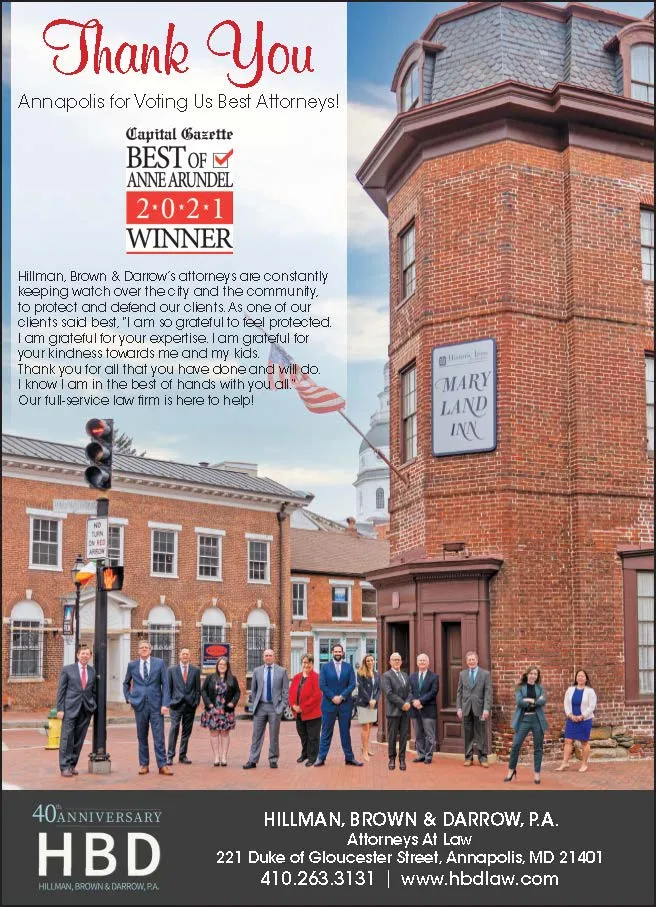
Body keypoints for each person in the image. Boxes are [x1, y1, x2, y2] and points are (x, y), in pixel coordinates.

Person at [123, 639, 173, 775]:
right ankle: (144, 764)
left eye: (146, 647)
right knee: (142, 736)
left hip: (156, 705)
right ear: (138, 650)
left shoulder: (159, 663)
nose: (144, 649)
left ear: (150, 650)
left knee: (159, 736)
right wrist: (128, 698)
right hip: (139, 705)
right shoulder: (132, 665)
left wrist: (165, 704)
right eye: (142, 647)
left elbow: (165, 684)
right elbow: (126, 683)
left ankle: (162, 765)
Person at [314, 644, 363, 767]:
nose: (337, 653)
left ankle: (349, 758)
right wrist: (333, 697)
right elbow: (322, 685)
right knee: (326, 732)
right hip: (328, 704)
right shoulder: (325, 667)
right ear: (332, 653)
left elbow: (352, 684)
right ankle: (321, 757)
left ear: (342, 653)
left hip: (345, 705)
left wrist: (341, 697)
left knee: (345, 732)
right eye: (335, 651)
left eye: (339, 651)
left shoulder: (348, 667)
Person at [243, 649, 289, 769]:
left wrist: (281, 706)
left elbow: (285, 691)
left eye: (270, 655)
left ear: (274, 657)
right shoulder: (257, 671)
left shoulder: (282, 671)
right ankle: (253, 760)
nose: (268, 657)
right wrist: (255, 703)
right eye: (266, 655)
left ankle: (273, 759)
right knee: (256, 735)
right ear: (263, 657)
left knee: (274, 736)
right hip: (260, 707)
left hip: (275, 707)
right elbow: (253, 690)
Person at [56, 644, 96, 777]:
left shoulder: (92, 671)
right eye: (82, 653)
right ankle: (64, 766)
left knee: (79, 739)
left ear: (90, 656)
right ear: (78, 655)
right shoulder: (68, 669)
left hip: (86, 709)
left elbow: (93, 690)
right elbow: (61, 691)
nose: (85, 656)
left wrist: (93, 705)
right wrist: (60, 709)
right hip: (69, 708)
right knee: (67, 738)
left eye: (87, 654)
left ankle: (72, 765)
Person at [504, 665, 548, 784]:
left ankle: (537, 774)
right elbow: (519, 702)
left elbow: (543, 701)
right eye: (531, 673)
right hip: (524, 719)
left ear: (537, 676)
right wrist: (535, 701)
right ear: (527, 674)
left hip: (537, 719)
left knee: (538, 747)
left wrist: (529, 700)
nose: (533, 675)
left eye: (535, 674)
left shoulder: (540, 688)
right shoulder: (520, 687)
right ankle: (511, 770)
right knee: (515, 745)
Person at [201, 656, 241, 766]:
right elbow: (203, 691)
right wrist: (208, 703)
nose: (222, 666)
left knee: (225, 734)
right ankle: (216, 756)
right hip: (213, 710)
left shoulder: (232, 679)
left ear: (227, 666)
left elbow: (237, 692)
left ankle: (224, 757)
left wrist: (233, 702)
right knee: (214, 734)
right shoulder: (210, 677)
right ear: (217, 666)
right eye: (220, 664)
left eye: (224, 664)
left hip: (226, 711)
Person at [556, 669, 597, 773]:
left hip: (585, 720)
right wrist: (570, 715)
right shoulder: (570, 689)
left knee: (584, 742)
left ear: (586, 679)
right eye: (578, 676)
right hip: (571, 719)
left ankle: (584, 764)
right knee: (568, 740)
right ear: (576, 678)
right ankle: (565, 763)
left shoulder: (590, 691)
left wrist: (582, 716)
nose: (580, 677)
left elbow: (592, 706)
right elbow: (566, 703)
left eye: (582, 676)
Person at [456, 650, 492, 767]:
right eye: (469, 660)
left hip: (480, 708)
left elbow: (488, 693)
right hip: (466, 708)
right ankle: (468, 758)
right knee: (468, 734)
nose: (471, 661)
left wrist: (486, 708)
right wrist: (459, 708)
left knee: (481, 734)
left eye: (473, 659)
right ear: (466, 662)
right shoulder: (462, 674)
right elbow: (459, 692)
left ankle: (483, 758)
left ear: (477, 660)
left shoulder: (485, 674)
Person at [166, 647, 201, 765]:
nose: (185, 656)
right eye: (183, 654)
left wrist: (196, 702)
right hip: (176, 705)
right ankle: (170, 756)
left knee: (186, 731)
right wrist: (169, 702)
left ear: (190, 656)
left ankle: (182, 755)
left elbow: (197, 689)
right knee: (174, 729)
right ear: (179, 655)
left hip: (190, 705)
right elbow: (168, 688)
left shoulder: (195, 670)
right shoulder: (171, 670)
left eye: (187, 654)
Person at [288, 654, 322, 767]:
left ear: (312, 664)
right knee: (303, 735)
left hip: (313, 713)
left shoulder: (317, 677)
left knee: (313, 737)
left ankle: (313, 757)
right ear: (301, 663)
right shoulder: (296, 677)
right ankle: (305, 754)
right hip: (298, 714)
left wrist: (302, 707)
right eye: (304, 662)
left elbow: (317, 696)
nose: (306, 665)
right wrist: (293, 705)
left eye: (309, 662)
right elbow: (291, 693)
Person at [381, 652, 413, 770]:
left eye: (398, 659)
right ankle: (392, 759)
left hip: (405, 712)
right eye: (394, 660)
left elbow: (410, 691)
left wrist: (408, 702)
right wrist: (402, 704)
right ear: (390, 662)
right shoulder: (386, 675)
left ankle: (402, 759)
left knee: (404, 737)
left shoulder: (405, 675)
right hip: (393, 712)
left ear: (401, 661)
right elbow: (389, 694)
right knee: (392, 737)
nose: (397, 661)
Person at [409, 653, 439, 764]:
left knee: (429, 735)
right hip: (415, 710)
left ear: (428, 663)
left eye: (424, 660)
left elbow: (433, 692)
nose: (422, 662)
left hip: (428, 710)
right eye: (420, 660)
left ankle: (428, 756)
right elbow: (409, 691)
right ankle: (421, 755)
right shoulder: (412, 677)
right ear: (417, 663)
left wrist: (420, 701)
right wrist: (414, 701)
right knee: (418, 735)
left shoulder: (434, 677)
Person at [355, 654, 381, 762]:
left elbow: (379, 689)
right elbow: (361, 688)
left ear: (374, 661)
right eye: (368, 661)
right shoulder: (360, 672)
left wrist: (375, 699)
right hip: (363, 703)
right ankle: (364, 751)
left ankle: (365, 747)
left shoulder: (377, 673)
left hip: (373, 704)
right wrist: (369, 700)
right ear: (365, 662)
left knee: (370, 727)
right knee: (365, 728)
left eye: (371, 660)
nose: (370, 662)